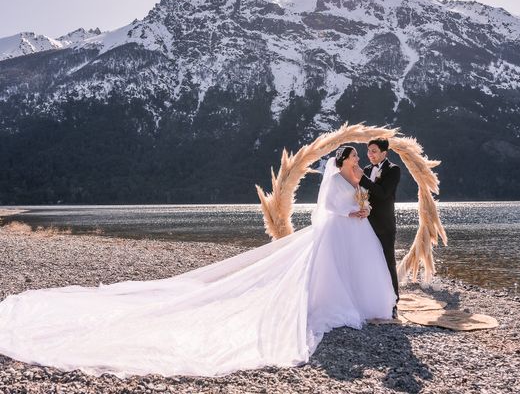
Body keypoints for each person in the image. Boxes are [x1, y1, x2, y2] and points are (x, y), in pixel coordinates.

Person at [0, 146, 395, 378]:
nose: (358, 162)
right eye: (355, 159)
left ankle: (368, 305)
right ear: (342, 162)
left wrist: (359, 208)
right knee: (333, 276)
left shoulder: (355, 180)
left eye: (359, 159)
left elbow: (361, 197)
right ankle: (341, 305)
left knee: (358, 271)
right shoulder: (337, 182)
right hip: (338, 232)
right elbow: (324, 211)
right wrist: (350, 215)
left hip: (355, 235)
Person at [355, 139, 401, 318]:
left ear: (384, 153)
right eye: (368, 151)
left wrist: (363, 179)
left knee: (388, 262)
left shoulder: (393, 170)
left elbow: (383, 194)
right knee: (369, 262)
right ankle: (373, 299)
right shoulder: (365, 170)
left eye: (374, 151)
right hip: (365, 224)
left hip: (384, 224)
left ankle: (394, 301)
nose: (370, 154)